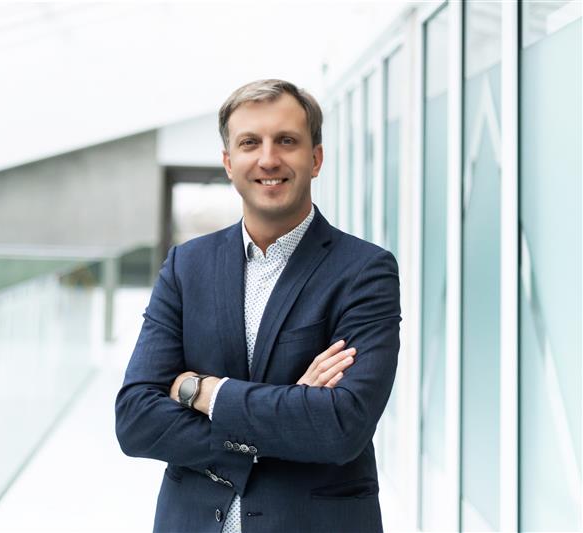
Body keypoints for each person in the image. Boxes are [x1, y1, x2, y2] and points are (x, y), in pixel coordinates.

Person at [115, 79, 400, 532]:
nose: (269, 159)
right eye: (250, 143)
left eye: (287, 140)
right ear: (229, 163)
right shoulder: (186, 266)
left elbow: (341, 427)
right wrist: (289, 411)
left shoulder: (365, 271)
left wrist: (205, 393)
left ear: (316, 158)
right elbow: (135, 420)